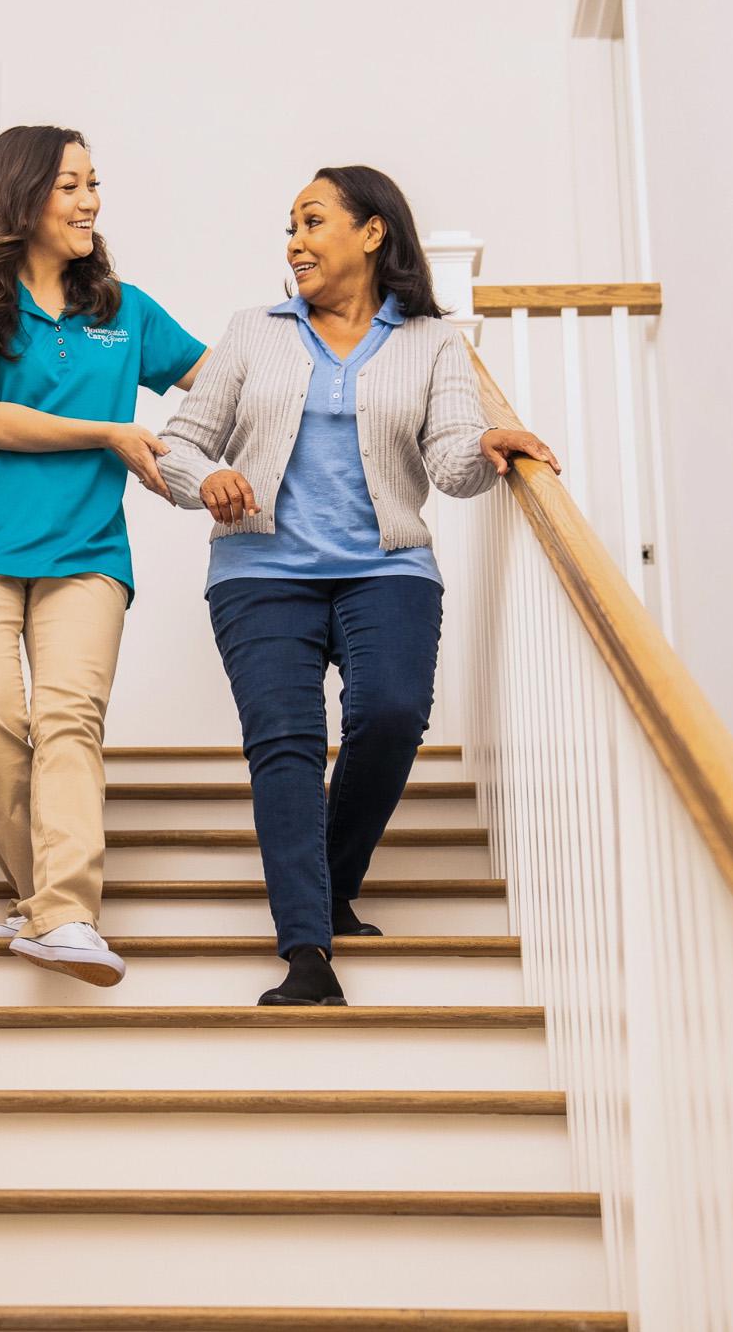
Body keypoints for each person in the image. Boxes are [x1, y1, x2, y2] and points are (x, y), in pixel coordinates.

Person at [157, 165, 558, 1006]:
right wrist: (208, 482)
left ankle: (334, 879)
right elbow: (181, 446)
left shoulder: (432, 342)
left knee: (393, 714)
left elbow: (448, 463)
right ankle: (307, 950)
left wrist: (491, 445)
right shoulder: (252, 331)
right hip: (261, 572)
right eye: (289, 229)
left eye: (312, 222)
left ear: (372, 233)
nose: (295, 243)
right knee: (287, 746)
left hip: (387, 568)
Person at [0, 125, 209, 987]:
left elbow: (224, 382)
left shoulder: (124, 311)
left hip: (87, 551)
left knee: (69, 719)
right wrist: (111, 433)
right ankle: (38, 897)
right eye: (72, 186)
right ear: (24, 195)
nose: (91, 202)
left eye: (94, 184)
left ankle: (67, 913)